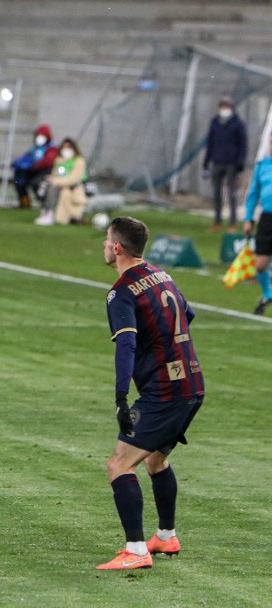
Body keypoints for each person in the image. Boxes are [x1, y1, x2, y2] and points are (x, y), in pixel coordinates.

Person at [96, 216, 205, 571]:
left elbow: (126, 344)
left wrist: (120, 396)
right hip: (193, 383)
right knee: (156, 459)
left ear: (117, 247)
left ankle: (136, 550)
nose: (104, 245)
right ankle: (166, 535)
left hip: (165, 392)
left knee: (119, 464)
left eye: (106, 239)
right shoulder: (162, 274)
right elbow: (188, 313)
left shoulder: (121, 291)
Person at [203, 95, 247, 233]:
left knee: (232, 194)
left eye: (226, 106)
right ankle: (217, 222)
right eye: (222, 106)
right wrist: (206, 162)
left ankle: (232, 223)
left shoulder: (237, 123)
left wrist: (240, 164)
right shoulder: (215, 122)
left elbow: (242, 144)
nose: (224, 108)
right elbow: (210, 143)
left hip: (232, 163)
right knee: (216, 194)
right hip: (217, 161)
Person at [242, 132, 272, 315]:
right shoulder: (262, 166)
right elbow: (253, 195)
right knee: (260, 265)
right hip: (267, 219)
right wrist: (248, 219)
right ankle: (268, 294)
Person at [34, 137, 87, 226]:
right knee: (43, 186)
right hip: (58, 184)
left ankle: (52, 214)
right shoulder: (59, 160)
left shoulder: (79, 161)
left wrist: (56, 181)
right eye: (64, 148)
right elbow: (55, 174)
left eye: (68, 147)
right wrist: (51, 179)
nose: (66, 150)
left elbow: (73, 179)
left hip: (72, 188)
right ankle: (46, 212)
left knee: (54, 189)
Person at [12, 124, 58, 209]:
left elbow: (48, 162)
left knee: (36, 183)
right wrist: (18, 163)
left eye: (42, 135)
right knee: (18, 180)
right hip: (33, 170)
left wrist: (34, 165)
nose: (39, 137)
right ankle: (25, 202)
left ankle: (45, 204)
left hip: (45, 171)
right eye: (38, 135)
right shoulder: (35, 148)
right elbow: (26, 158)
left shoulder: (51, 148)